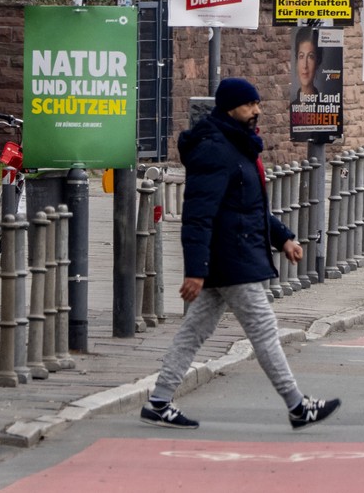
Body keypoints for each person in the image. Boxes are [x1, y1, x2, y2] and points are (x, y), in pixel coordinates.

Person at [141, 78, 340, 430]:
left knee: (193, 333)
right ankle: (297, 406)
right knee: (264, 332)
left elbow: (247, 206)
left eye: (257, 103)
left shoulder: (236, 145)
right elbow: (198, 214)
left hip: (231, 256)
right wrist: (195, 269)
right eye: (250, 105)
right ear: (231, 107)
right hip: (232, 259)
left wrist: (284, 239)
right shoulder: (216, 149)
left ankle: (158, 400)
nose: (257, 110)